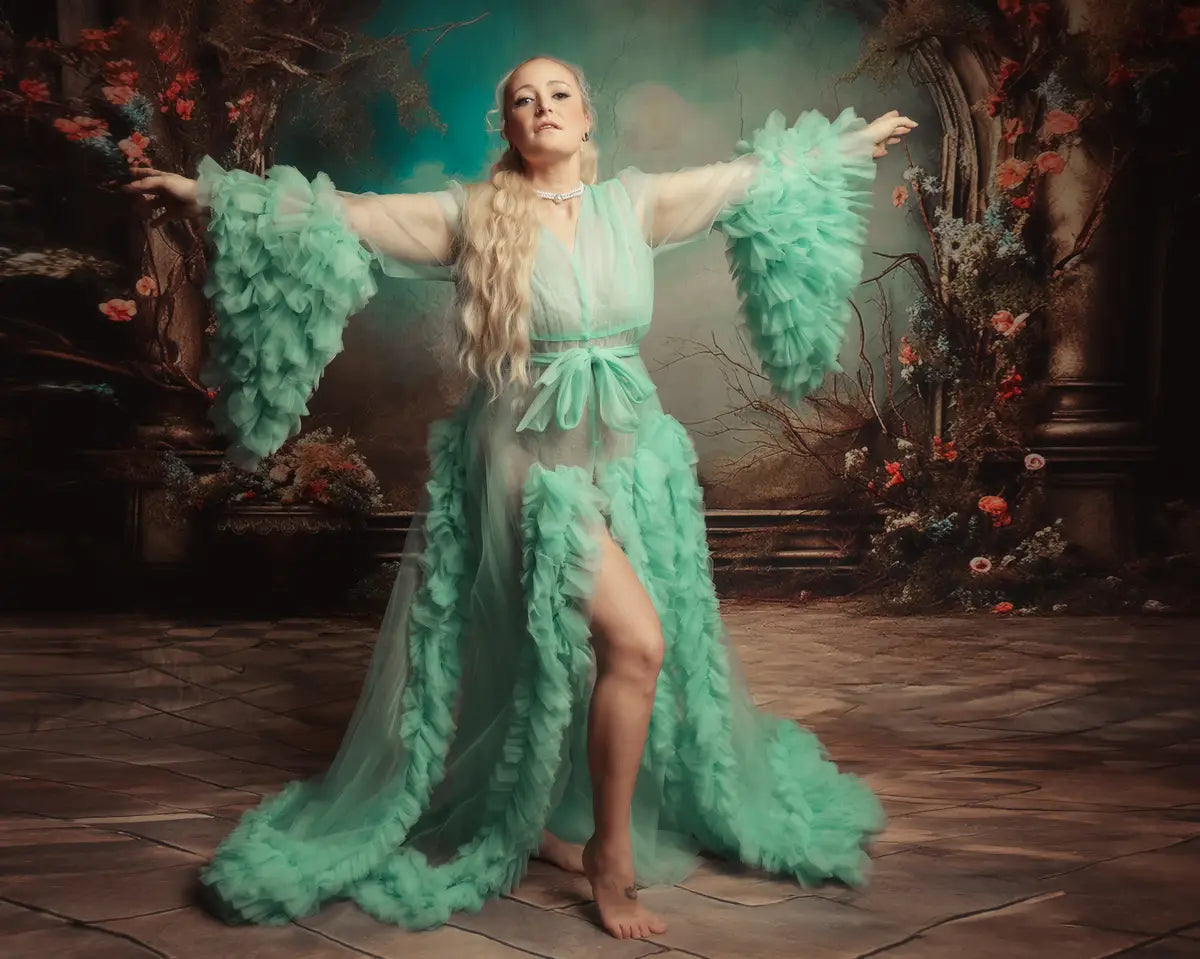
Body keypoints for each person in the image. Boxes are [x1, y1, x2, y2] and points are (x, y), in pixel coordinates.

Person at [126, 55, 916, 941]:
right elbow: (347, 214)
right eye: (523, 100)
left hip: (629, 454)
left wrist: (850, 144)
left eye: (559, 94)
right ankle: (611, 856)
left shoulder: (634, 204)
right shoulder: (472, 215)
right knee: (638, 641)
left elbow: (748, 180)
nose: (542, 107)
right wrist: (207, 194)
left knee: (590, 657)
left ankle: (546, 816)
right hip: (528, 465)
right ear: (506, 125)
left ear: (587, 117)